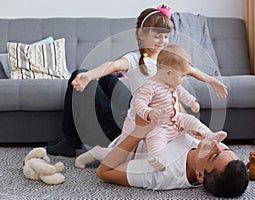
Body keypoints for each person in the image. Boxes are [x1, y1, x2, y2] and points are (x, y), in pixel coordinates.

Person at [47, 4, 228, 157]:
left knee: (81, 75)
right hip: (136, 111)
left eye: (165, 37)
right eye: (157, 36)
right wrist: (89, 76)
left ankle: (70, 140)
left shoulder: (168, 60)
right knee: (86, 74)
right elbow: (112, 65)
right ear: (141, 34)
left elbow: (192, 70)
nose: (162, 41)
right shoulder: (134, 59)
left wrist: (212, 81)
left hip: (134, 127)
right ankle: (69, 140)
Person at [96, 119, 249, 198]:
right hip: (147, 112)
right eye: (225, 148)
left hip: (120, 132)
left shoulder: (162, 172)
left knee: (81, 76)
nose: (216, 144)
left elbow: (104, 172)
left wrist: (142, 129)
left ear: (200, 175)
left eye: (215, 154)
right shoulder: (210, 144)